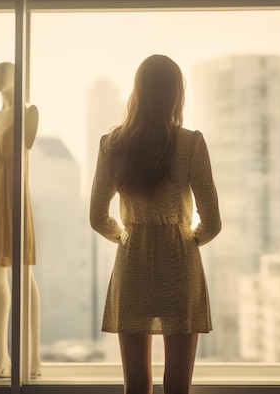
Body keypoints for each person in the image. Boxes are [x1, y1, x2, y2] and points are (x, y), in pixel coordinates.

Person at [90, 54, 221, 394]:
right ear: (177, 94)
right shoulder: (191, 143)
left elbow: (97, 216)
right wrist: (185, 237)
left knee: (135, 383)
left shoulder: (113, 144)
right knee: (178, 384)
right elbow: (213, 222)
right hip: (180, 262)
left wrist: (126, 235)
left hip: (133, 260)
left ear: (138, 92)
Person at [0, 62, 42, 378]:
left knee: (23, 275)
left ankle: (33, 358)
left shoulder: (28, 112)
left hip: (14, 195)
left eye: (2, 71)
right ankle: (3, 358)